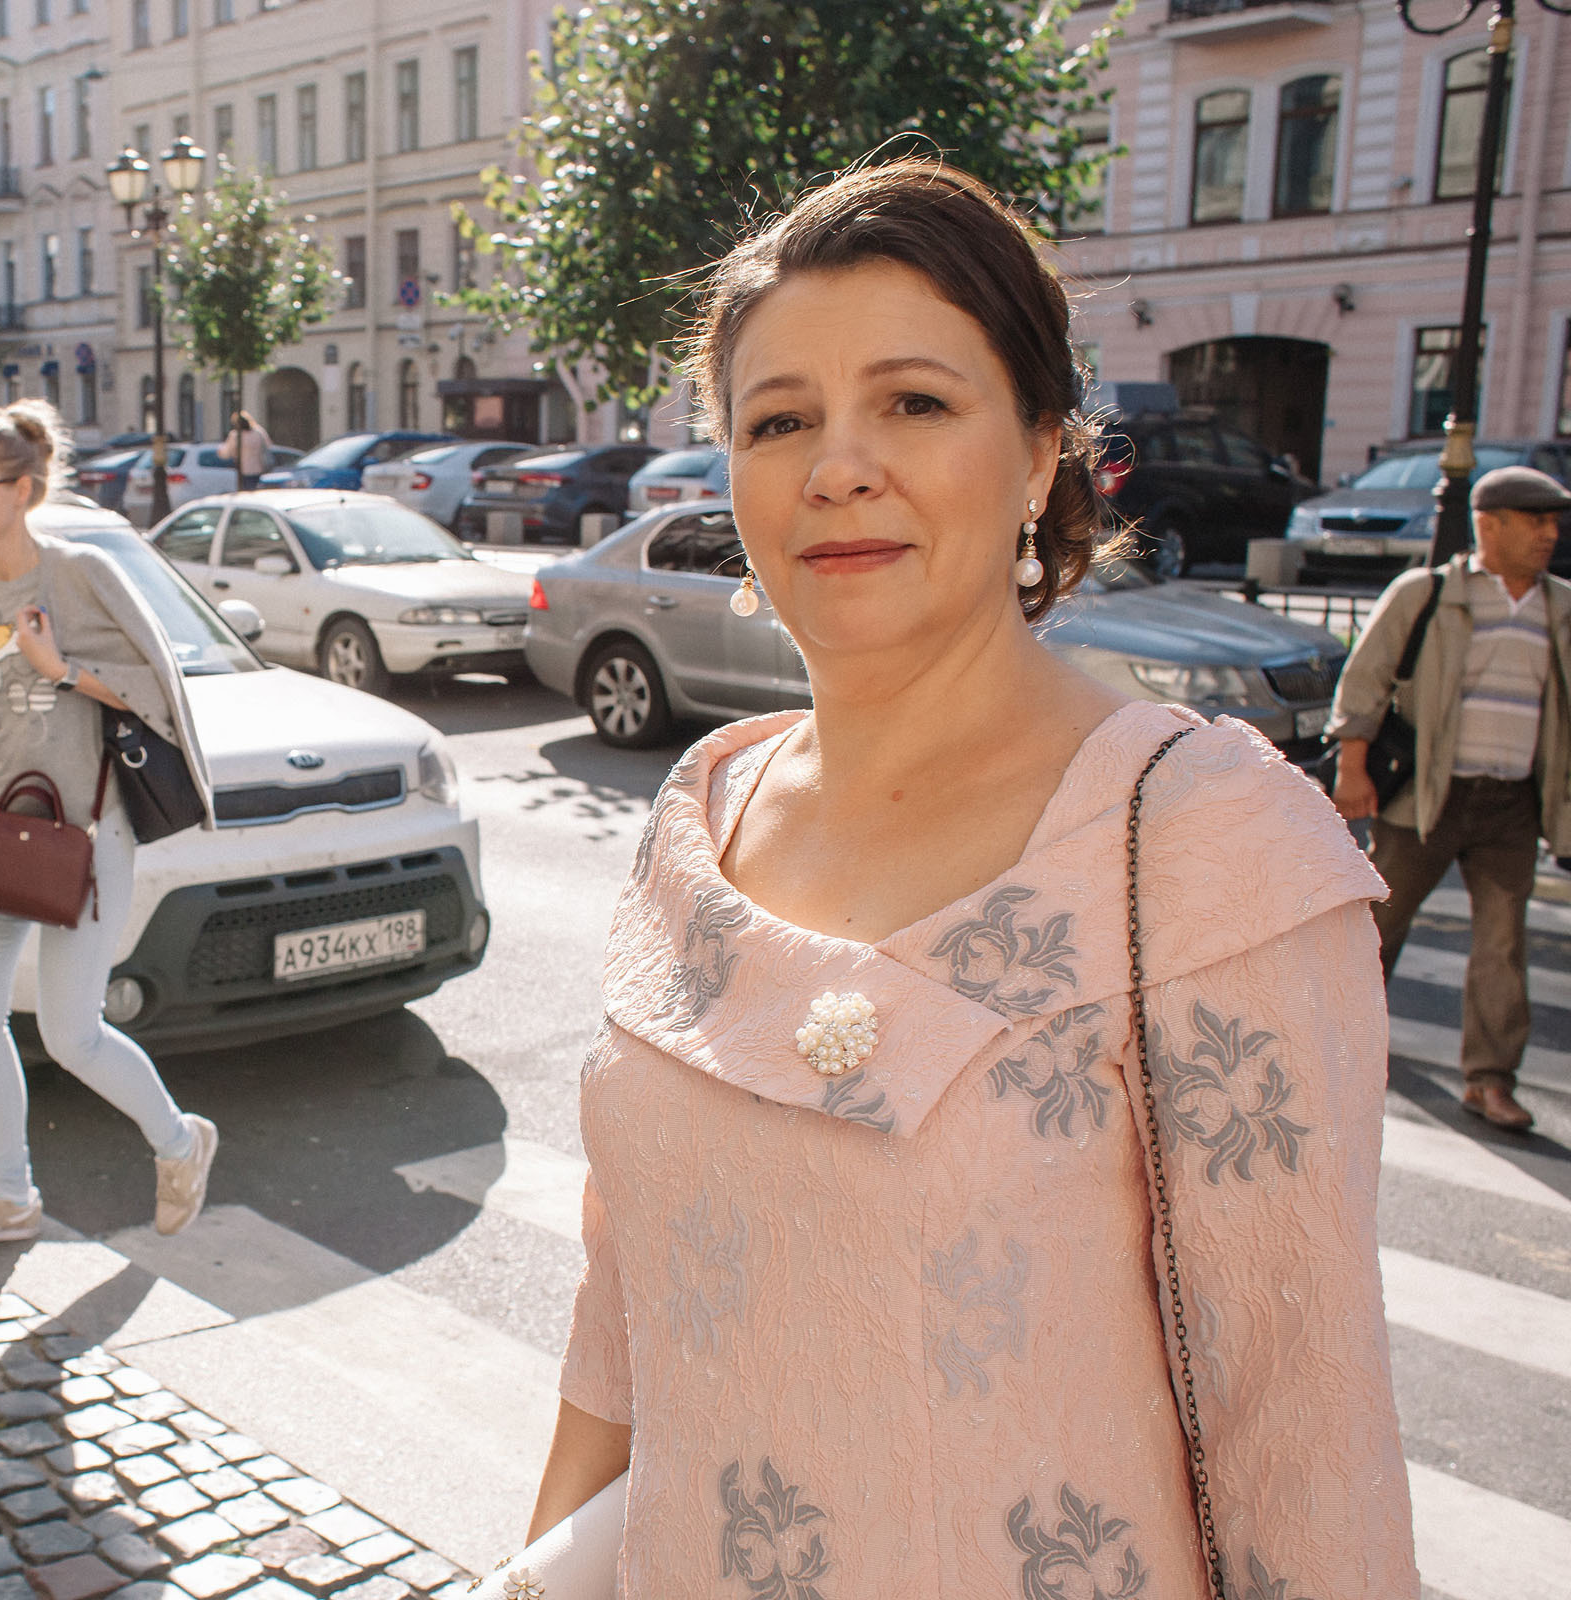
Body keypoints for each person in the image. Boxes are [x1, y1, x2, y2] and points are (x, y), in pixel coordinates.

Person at [530, 161, 1415, 1596]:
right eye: (780, 421)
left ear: (1043, 453)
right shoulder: (696, 819)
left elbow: (1305, 1446)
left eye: (916, 403)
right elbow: (623, 1307)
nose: (837, 465)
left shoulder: (1199, 841)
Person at [0, 398, 220, 1249]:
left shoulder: (81, 576)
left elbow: (156, 687)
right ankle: (9, 1196)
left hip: (87, 840)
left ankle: (180, 1143)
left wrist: (60, 668)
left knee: (72, 1035)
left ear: (21, 490)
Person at [1332, 464, 1571, 1132]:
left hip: (1511, 803)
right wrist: (1354, 766)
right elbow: (1365, 681)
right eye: (1535, 520)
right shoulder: (1427, 593)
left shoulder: (1560, 608)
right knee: (1379, 925)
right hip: (1428, 796)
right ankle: (1338, 1045)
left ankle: (1490, 1080)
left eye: (1554, 522)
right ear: (1489, 525)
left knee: (1504, 944)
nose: (1549, 534)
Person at [223, 408, 271, 491]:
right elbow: (268, 445)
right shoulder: (259, 433)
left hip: (243, 470)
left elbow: (226, 453)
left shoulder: (235, 436)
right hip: (259, 469)